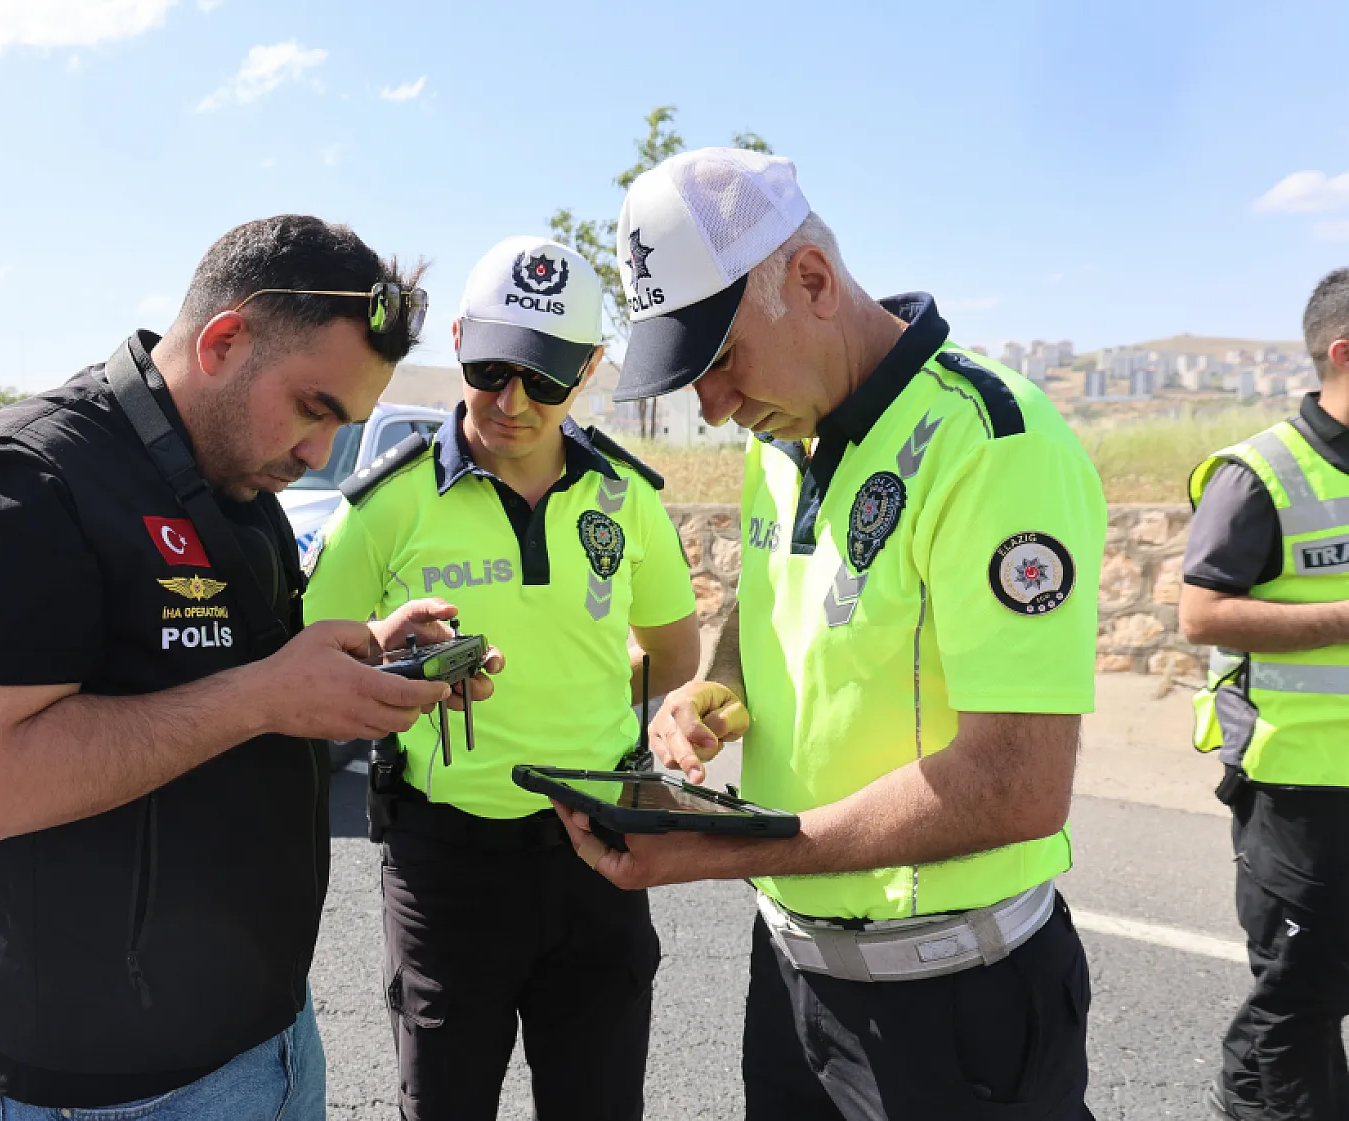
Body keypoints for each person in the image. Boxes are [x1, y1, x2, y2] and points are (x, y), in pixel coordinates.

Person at [548, 148, 1107, 1120]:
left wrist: (719, 849)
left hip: (954, 1005)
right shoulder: (783, 436)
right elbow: (771, 605)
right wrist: (712, 688)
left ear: (808, 279)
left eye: (718, 358)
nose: (710, 407)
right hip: (795, 979)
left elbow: (1014, 784)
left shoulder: (993, 445)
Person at [0, 215, 499, 1121]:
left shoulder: (232, 474)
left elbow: (223, 669)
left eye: (345, 424)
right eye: (314, 409)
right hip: (118, 1086)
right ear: (225, 340)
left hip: (269, 1028)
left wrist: (364, 653)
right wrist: (263, 694)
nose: (319, 455)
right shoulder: (21, 479)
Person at [302, 235, 701, 1120]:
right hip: (447, 863)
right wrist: (395, 673)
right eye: (490, 368)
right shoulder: (383, 505)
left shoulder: (625, 499)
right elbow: (306, 668)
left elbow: (673, 656)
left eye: (548, 377)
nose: (512, 401)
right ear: (456, 341)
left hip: (598, 855)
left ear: (594, 367)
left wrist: (593, 691)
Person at [1183, 267, 1349, 1121]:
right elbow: (1200, 613)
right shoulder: (1259, 473)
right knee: (1298, 997)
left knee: (1328, 991)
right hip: (1296, 783)